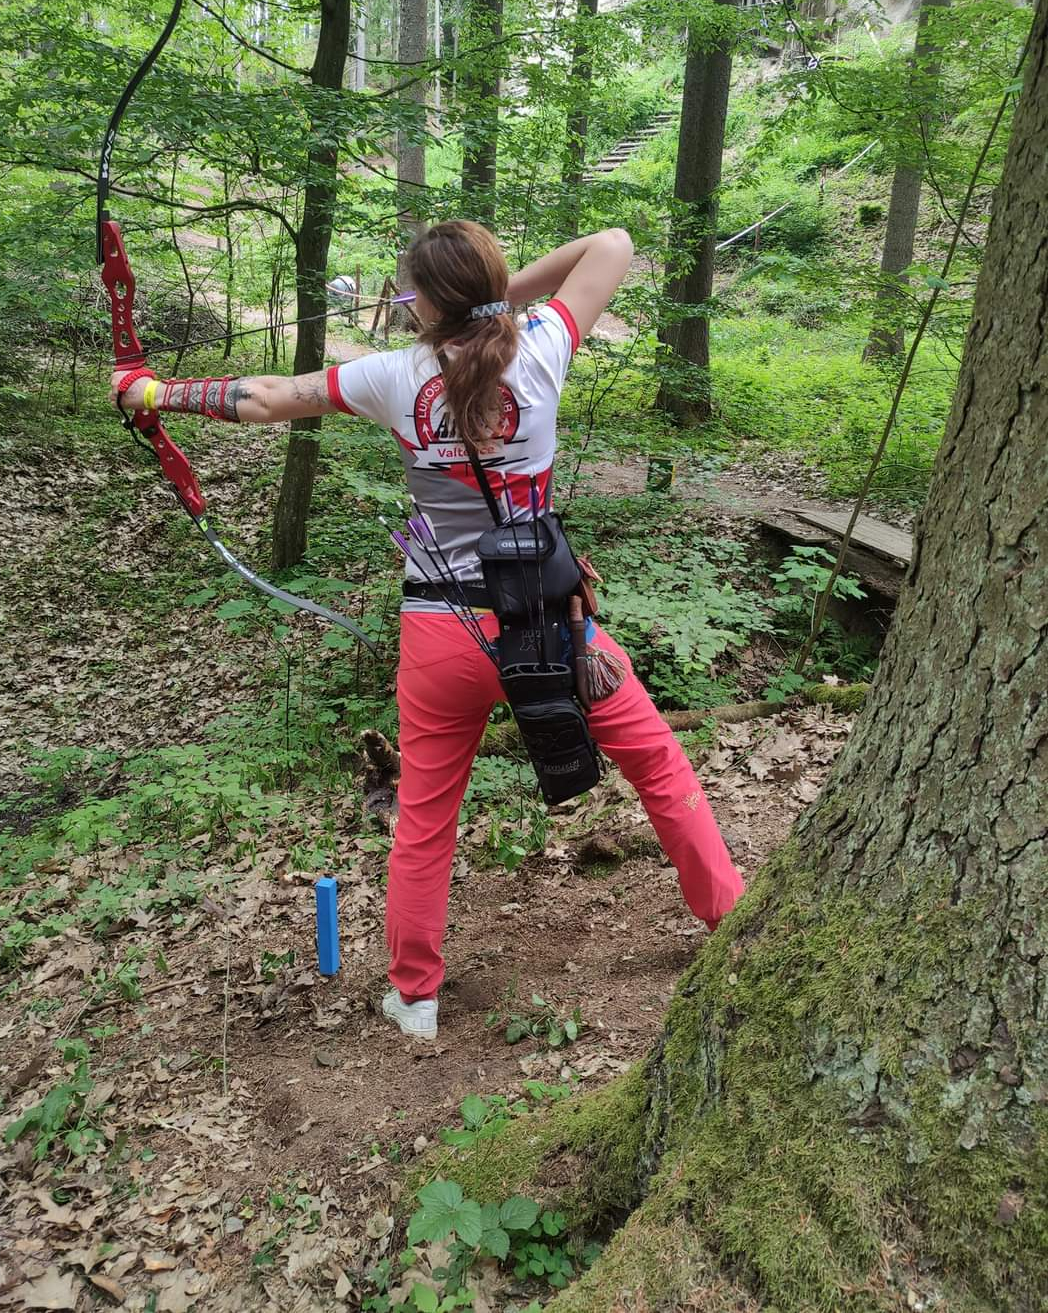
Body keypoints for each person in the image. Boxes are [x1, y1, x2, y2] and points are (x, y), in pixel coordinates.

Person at [112, 221, 744, 1042]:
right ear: (490, 286)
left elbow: (263, 398)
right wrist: (498, 301)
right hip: (550, 624)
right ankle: (729, 923)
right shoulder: (544, 345)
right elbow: (615, 244)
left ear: (426, 304)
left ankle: (415, 998)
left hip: (442, 632)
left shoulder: (393, 375)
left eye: (414, 293)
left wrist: (154, 394)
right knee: (657, 763)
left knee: (426, 815)